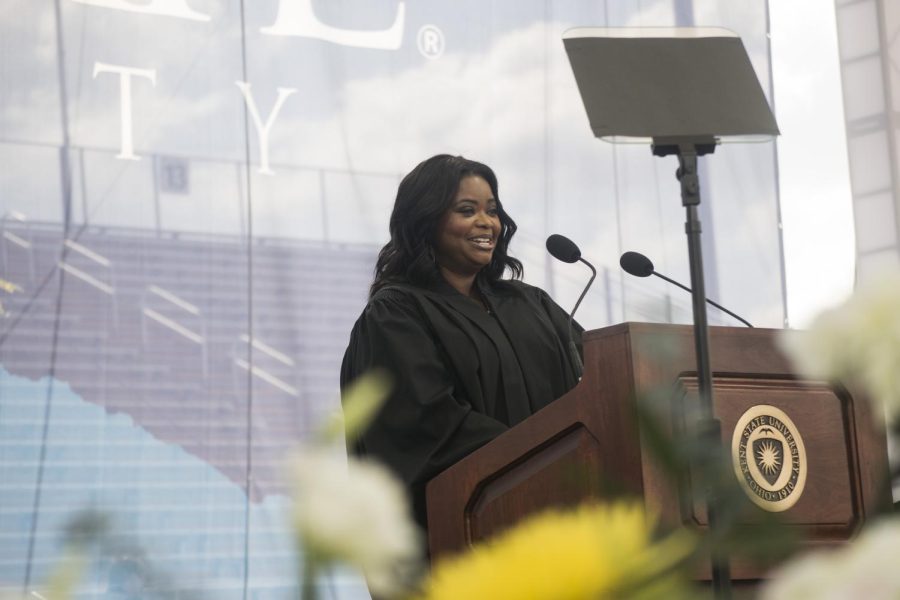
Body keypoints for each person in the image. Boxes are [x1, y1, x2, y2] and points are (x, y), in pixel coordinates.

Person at [340, 154, 583, 528]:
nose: (486, 222)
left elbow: (598, 381)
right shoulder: (396, 316)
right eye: (467, 210)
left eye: (492, 210)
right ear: (425, 221)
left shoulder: (531, 304)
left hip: (565, 520)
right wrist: (545, 457)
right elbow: (427, 429)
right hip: (470, 530)